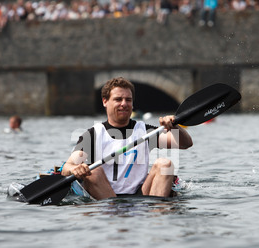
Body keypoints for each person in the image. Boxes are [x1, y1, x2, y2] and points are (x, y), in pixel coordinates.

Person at [61, 77, 193, 200]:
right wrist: (74, 169)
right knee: (93, 171)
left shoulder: (145, 131)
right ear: (105, 101)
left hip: (141, 194)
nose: (124, 104)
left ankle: (156, 217)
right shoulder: (93, 135)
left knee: (165, 164)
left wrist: (174, 125)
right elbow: (67, 167)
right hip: (105, 197)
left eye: (128, 100)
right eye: (118, 99)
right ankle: (114, 213)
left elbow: (185, 143)